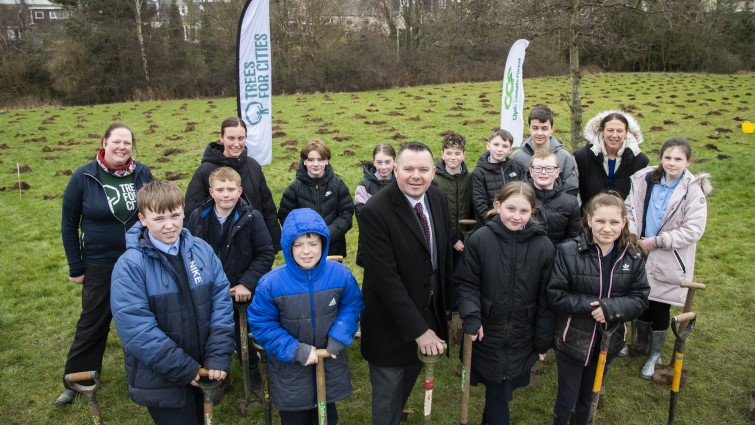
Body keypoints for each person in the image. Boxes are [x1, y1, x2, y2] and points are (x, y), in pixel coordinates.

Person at [110, 180, 235, 424]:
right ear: (142, 219)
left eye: (175, 216)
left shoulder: (202, 251)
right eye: (158, 219)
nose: (169, 225)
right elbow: (137, 330)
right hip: (162, 378)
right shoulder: (130, 266)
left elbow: (221, 304)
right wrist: (184, 369)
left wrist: (218, 355)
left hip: (204, 368)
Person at [57, 123, 153, 406]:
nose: (122, 147)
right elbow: (68, 225)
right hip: (99, 263)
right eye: (117, 142)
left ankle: (150, 373)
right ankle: (76, 379)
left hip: (138, 259)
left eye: (127, 143)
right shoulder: (84, 176)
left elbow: (154, 208)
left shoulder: (141, 172)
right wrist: (76, 267)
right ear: (104, 142)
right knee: (93, 321)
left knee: (144, 317)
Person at [358, 141, 454, 425]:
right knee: (387, 405)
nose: (416, 176)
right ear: (395, 170)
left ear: (433, 171)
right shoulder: (375, 211)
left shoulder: (437, 199)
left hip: (427, 317)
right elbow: (386, 280)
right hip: (389, 326)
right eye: (409, 169)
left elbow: (443, 257)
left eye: (423, 169)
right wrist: (420, 331)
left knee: (404, 390)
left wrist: (446, 310)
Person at [248, 208, 363, 425]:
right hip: (290, 373)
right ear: (287, 247)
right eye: (298, 245)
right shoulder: (271, 284)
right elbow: (262, 324)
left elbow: (352, 305)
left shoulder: (340, 275)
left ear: (324, 243)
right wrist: (295, 349)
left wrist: (340, 334)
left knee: (327, 418)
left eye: (312, 244)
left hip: (328, 365)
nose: (306, 251)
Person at [455, 182, 555, 425]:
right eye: (511, 209)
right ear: (498, 206)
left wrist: (543, 340)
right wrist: (472, 316)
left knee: (500, 390)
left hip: (522, 332)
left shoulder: (543, 246)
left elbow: (546, 298)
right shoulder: (481, 239)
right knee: (497, 390)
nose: (516, 216)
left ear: (533, 211)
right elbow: (467, 283)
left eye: (523, 211)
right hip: (487, 331)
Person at [547, 192, 650, 425]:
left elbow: (640, 298)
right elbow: (556, 295)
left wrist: (611, 308)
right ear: (589, 220)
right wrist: (591, 306)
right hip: (573, 339)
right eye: (600, 221)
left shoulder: (632, 256)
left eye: (614, 222)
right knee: (567, 396)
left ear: (624, 222)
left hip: (609, 341)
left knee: (589, 395)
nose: (607, 228)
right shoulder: (568, 252)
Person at [625, 137, 710, 379]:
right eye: (668, 158)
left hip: (668, 255)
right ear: (661, 158)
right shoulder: (646, 180)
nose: (672, 163)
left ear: (688, 161)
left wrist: (659, 241)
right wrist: (633, 233)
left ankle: (655, 355)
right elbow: (630, 208)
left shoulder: (693, 190)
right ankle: (640, 344)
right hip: (640, 249)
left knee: (660, 302)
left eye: (678, 159)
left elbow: (694, 229)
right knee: (642, 298)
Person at [185, 166, 275, 392]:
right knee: (210, 333)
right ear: (211, 192)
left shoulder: (252, 218)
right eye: (220, 189)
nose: (226, 194)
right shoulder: (198, 217)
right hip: (208, 290)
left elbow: (265, 253)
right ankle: (218, 377)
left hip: (241, 290)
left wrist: (247, 283)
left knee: (243, 332)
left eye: (231, 189)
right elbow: (189, 253)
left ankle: (253, 371)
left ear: (240, 190)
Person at [184, 117, 281, 250]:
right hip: (217, 246)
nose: (236, 144)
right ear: (221, 138)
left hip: (250, 243)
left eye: (241, 138)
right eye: (231, 138)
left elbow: (267, 206)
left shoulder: (253, 166)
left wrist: (274, 242)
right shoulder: (205, 171)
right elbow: (191, 211)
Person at [278, 139, 355, 258]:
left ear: (326, 161)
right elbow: (285, 217)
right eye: (311, 160)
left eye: (320, 159)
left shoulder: (338, 185)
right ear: (304, 161)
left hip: (333, 247)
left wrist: (328, 233)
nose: (315, 164)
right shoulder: (294, 189)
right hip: (305, 251)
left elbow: (347, 214)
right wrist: (306, 237)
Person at [575, 110, 649, 205]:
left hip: (624, 218)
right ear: (602, 131)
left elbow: (640, 197)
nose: (614, 135)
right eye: (610, 130)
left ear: (626, 132)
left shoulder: (639, 160)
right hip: (589, 217)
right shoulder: (582, 157)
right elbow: (576, 194)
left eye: (619, 131)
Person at [510, 105, 579, 196]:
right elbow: (511, 187)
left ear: (552, 129)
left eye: (544, 128)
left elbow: (570, 189)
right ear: (529, 127)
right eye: (535, 128)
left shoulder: (565, 157)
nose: (539, 133)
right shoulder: (516, 157)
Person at [433, 132, 474, 264]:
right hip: (443, 240)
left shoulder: (471, 178)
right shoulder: (434, 180)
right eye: (449, 153)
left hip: (467, 239)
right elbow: (436, 213)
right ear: (442, 154)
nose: (453, 157)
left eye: (457, 153)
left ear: (464, 155)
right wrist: (452, 239)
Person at [472, 129, 527, 225]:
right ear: (488, 146)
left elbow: (524, 194)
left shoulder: (516, 168)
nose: (500, 149)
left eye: (505, 146)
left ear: (510, 150)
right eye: (496, 144)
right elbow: (479, 204)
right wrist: (495, 222)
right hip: (490, 223)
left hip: (515, 220)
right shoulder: (479, 173)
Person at [528, 150, 581, 245]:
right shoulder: (521, 198)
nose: (543, 172)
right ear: (531, 171)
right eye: (538, 168)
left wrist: (556, 254)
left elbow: (573, 236)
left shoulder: (570, 202)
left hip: (558, 256)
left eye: (549, 168)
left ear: (557, 172)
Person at [354, 143, 396, 219]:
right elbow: (361, 214)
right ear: (374, 162)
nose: (383, 167)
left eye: (387, 162)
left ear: (394, 161)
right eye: (379, 162)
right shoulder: (364, 186)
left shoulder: (401, 183)